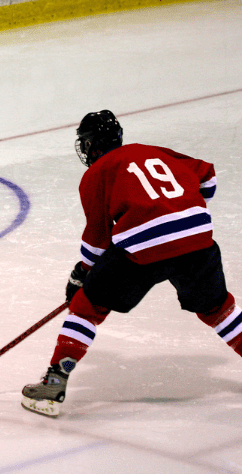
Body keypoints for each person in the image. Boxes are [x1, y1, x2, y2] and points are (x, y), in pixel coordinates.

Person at [21, 110, 241, 418]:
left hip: (143, 246)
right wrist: (180, 204)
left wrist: (81, 277)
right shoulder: (153, 151)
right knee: (217, 308)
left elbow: (97, 239)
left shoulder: (97, 173)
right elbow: (209, 179)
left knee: (87, 308)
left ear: (92, 146)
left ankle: (54, 384)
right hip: (197, 237)